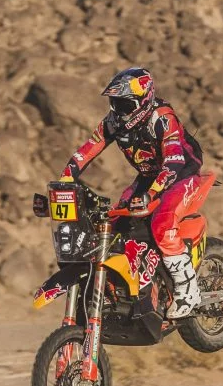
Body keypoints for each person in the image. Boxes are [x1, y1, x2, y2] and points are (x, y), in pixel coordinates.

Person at [59, 66, 207, 318]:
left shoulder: (162, 118)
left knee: (162, 222)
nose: (119, 111)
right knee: (116, 220)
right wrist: (66, 177)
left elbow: (173, 161)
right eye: (115, 103)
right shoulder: (113, 122)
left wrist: (153, 192)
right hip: (150, 176)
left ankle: (187, 290)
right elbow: (89, 148)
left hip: (181, 173)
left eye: (125, 105)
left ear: (144, 100)